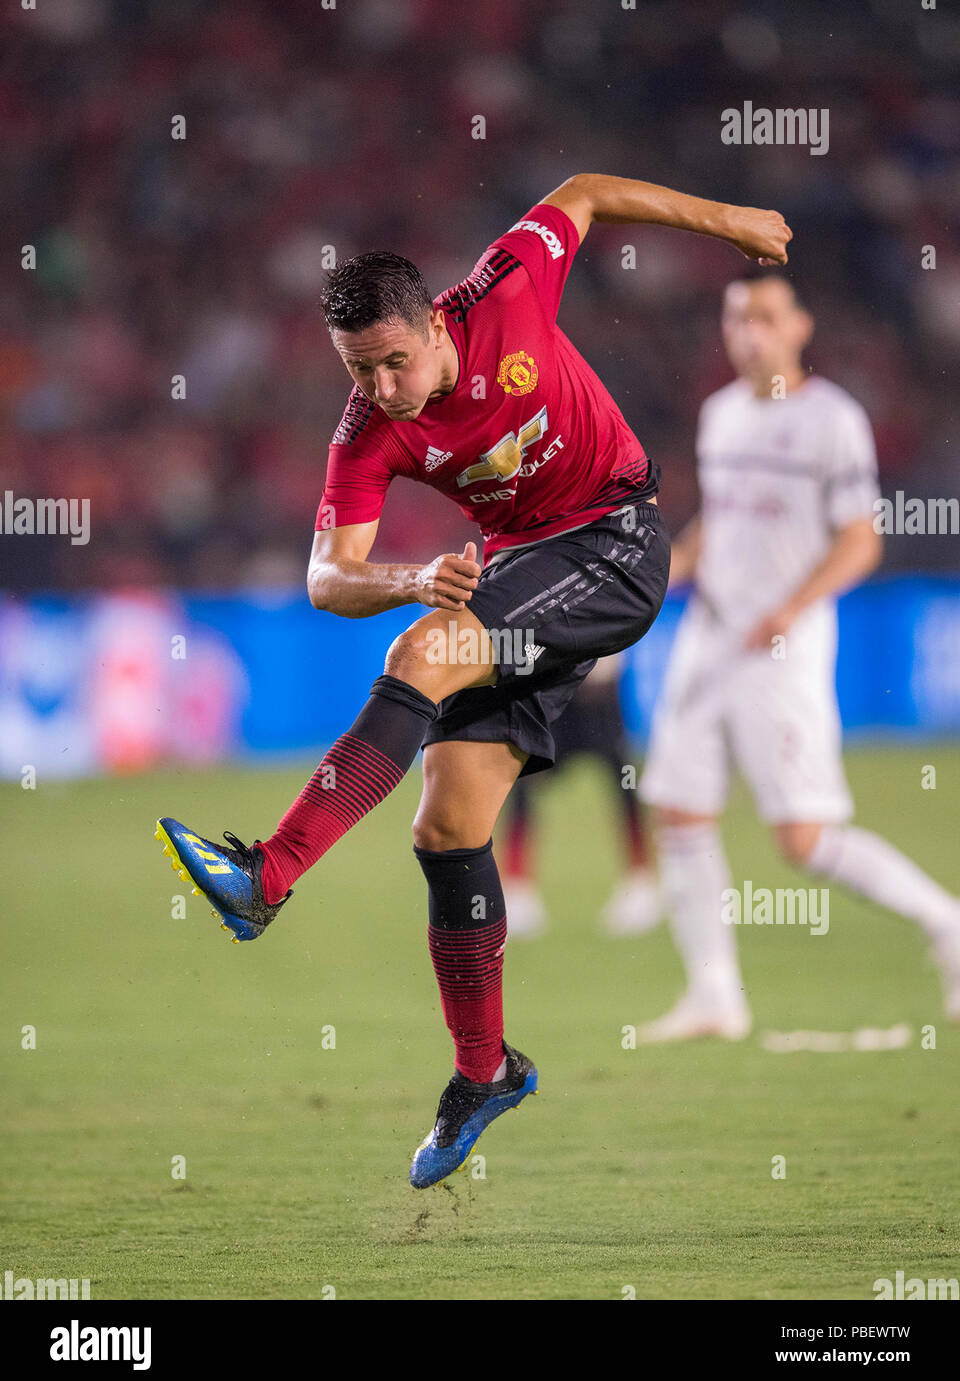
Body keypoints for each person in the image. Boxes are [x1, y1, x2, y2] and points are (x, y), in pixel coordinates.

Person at [154, 175, 791, 1185]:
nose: (378, 388)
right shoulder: (365, 428)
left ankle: (269, 874)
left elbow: (584, 192)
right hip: (523, 576)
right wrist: (410, 576)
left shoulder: (504, 288)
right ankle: (486, 1070)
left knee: (419, 655)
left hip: (617, 544)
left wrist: (734, 220)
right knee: (446, 825)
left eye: (393, 363)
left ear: (434, 327)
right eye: (357, 370)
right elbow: (327, 578)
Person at [638, 275, 960, 1042]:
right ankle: (716, 994)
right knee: (680, 806)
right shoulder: (721, 415)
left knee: (803, 841)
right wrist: (671, 569)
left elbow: (861, 538)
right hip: (710, 636)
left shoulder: (833, 420)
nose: (751, 332)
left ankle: (946, 920)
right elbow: (721, 521)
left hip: (780, 647)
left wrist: (789, 607)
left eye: (766, 317)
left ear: (800, 325)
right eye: (738, 317)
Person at [500, 653, 662, 939]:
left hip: (601, 692)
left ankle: (641, 884)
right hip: (551, 692)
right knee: (524, 780)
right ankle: (516, 890)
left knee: (624, 784)